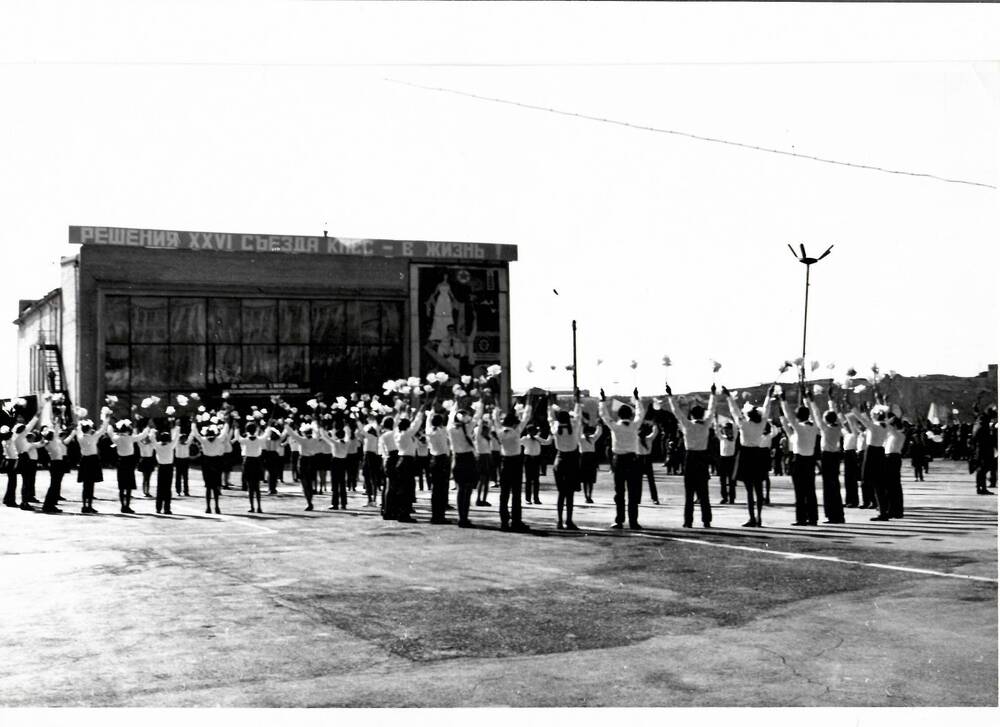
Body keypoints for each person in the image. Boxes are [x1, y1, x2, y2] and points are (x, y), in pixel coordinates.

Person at [665, 384, 716, 529]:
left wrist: (670, 396)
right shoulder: (706, 425)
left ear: (692, 415)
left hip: (691, 458)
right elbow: (711, 410)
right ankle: (706, 520)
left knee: (689, 493)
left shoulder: (687, 425)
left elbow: (676, 412)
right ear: (702, 415)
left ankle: (688, 521)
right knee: (704, 492)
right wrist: (712, 395)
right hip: (702, 458)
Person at [725, 386, 772, 527]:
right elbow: (767, 410)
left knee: (749, 491)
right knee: (758, 489)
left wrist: (729, 397)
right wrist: (768, 396)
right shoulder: (761, 424)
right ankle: (758, 518)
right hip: (758, 455)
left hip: (746, 455)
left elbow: (734, 411)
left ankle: (752, 518)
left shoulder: (744, 424)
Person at [598, 387, 645, 530]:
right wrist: (637, 399)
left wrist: (602, 400)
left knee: (619, 492)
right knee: (633, 491)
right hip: (633, 460)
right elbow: (641, 413)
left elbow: (604, 415)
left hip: (618, 460)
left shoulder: (615, 426)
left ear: (619, 415)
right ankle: (633, 521)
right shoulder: (634, 425)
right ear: (630, 415)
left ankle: (619, 520)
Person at [779, 386, 820, 526]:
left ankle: (801, 518)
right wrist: (809, 399)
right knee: (810, 490)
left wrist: (783, 401)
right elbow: (815, 414)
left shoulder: (799, 427)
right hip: (810, 460)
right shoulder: (813, 426)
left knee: (800, 491)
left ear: (798, 416)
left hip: (799, 460)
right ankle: (813, 518)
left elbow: (789, 417)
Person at [493, 397, 533, 531]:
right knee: (516, 494)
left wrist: (497, 404)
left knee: (504, 494)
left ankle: (504, 521)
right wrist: (529, 401)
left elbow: (495, 419)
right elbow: (526, 416)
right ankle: (516, 521)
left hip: (504, 462)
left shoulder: (500, 432)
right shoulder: (516, 432)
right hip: (515, 462)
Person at [850, 400, 891, 521]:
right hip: (880, 452)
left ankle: (879, 507)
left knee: (868, 480)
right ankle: (883, 508)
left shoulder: (873, 426)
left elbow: (861, 419)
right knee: (879, 483)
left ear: (877, 415)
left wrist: (852, 406)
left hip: (871, 453)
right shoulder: (885, 425)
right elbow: (875, 417)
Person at [549, 391, 584, 530]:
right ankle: (569, 520)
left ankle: (559, 521)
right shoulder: (574, 427)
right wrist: (577, 400)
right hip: (572, 460)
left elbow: (550, 418)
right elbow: (578, 415)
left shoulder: (556, 428)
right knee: (569, 494)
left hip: (559, 459)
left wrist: (549, 405)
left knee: (561, 493)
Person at [812, 389, 845, 524]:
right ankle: (838, 514)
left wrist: (811, 401)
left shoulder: (825, 429)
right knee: (835, 485)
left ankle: (831, 514)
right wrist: (831, 401)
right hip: (835, 455)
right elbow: (836, 416)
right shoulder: (838, 428)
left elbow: (816, 415)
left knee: (828, 486)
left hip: (827, 456)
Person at [447, 399, 482, 528]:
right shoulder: (467, 428)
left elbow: (451, 417)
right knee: (467, 490)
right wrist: (481, 401)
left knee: (461, 490)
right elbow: (478, 415)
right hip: (468, 459)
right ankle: (464, 517)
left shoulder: (450, 429)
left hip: (456, 459)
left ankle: (461, 517)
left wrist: (455, 403)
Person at [67, 414, 110, 514]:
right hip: (93, 460)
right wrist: (106, 419)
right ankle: (89, 505)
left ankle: (84, 506)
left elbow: (78, 428)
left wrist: (78, 419)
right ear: (89, 429)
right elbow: (103, 429)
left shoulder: (80, 437)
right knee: (91, 485)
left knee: (85, 485)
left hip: (84, 461)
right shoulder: (93, 437)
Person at [189, 419, 231, 514]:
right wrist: (227, 423)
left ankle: (208, 507)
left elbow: (195, 433)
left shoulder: (204, 440)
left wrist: (194, 422)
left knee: (208, 487)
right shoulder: (218, 439)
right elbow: (224, 432)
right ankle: (217, 507)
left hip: (207, 463)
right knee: (215, 486)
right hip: (216, 463)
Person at [283, 421, 324, 511]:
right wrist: (316, 423)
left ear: (304, 433)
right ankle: (310, 500)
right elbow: (318, 432)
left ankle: (309, 502)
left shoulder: (302, 440)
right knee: (310, 482)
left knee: (305, 483)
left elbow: (292, 434)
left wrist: (286, 425)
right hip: (312, 460)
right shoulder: (315, 439)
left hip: (304, 461)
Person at [425, 411, 452, 523]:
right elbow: (449, 424)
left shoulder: (429, 431)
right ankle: (440, 515)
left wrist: (429, 415)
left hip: (433, 459)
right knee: (442, 489)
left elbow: (427, 423)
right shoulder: (443, 431)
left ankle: (435, 514)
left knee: (435, 489)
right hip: (442, 460)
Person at [234, 422, 266, 513]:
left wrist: (236, 428)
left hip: (248, 462)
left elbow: (237, 437)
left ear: (247, 430)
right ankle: (259, 507)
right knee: (257, 487)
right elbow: (267, 434)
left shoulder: (245, 440)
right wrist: (268, 426)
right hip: (257, 462)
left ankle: (252, 507)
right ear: (255, 430)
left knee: (250, 486)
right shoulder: (260, 439)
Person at [150, 426, 181, 515]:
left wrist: (152, 431)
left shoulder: (157, 445)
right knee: (167, 489)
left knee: (160, 488)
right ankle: (167, 509)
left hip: (161, 468)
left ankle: (158, 508)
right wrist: (177, 428)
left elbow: (152, 439)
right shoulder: (170, 446)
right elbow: (176, 438)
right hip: (168, 468)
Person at [110, 420, 139, 514]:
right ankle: (127, 506)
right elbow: (141, 435)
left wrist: (110, 424)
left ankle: (123, 506)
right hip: (129, 462)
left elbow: (110, 432)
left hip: (121, 462)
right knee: (129, 486)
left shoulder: (116, 438)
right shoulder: (130, 438)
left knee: (122, 486)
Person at [520, 425, 550, 506]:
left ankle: (536, 499)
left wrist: (551, 435)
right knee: (528, 480)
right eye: (533, 431)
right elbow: (517, 443)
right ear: (529, 431)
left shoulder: (537, 438)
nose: (535, 432)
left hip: (536, 459)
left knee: (536, 480)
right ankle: (528, 499)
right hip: (528, 459)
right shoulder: (525, 439)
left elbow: (547, 442)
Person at [884, 414, 907, 517]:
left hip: (893, 458)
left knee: (893, 485)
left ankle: (895, 510)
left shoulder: (898, 434)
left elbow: (887, 425)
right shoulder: (893, 435)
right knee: (892, 485)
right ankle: (893, 509)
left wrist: (889, 418)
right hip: (890, 458)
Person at [41, 427, 69, 513]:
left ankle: (50, 504)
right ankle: (48, 505)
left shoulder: (51, 442)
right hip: (56, 464)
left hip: (56, 464)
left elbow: (55, 432)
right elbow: (56, 432)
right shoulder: (52, 443)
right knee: (54, 485)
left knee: (55, 485)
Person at [579, 418, 603, 504]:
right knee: (590, 480)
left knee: (586, 480)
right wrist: (599, 424)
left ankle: (587, 496)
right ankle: (589, 496)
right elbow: (598, 433)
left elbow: (598, 433)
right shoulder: (591, 438)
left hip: (584, 458)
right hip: (591, 458)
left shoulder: (581, 439)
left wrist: (581, 424)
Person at [362, 415, 384, 508]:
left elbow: (361, 430)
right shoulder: (376, 437)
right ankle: (373, 499)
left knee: (369, 478)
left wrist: (356, 417)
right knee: (373, 479)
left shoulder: (371, 437)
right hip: (374, 456)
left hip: (369, 456)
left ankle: (371, 500)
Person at [637, 420, 660, 505]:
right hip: (647, 459)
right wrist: (654, 424)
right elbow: (655, 432)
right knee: (651, 481)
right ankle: (655, 498)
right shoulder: (649, 439)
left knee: (638, 481)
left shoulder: (636, 439)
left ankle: (637, 499)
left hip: (639, 459)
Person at [840, 409, 860, 507]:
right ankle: (848, 500)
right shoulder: (846, 434)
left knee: (852, 478)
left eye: (847, 424)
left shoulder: (854, 434)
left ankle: (854, 501)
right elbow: (841, 423)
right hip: (846, 455)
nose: (845, 426)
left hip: (852, 454)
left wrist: (849, 416)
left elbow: (851, 424)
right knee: (847, 479)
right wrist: (839, 410)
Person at [715, 420, 737, 505]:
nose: (727, 431)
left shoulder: (734, 437)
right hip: (723, 459)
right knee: (722, 480)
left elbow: (735, 429)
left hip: (731, 459)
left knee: (732, 480)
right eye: (725, 429)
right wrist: (717, 423)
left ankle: (732, 498)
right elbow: (717, 431)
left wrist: (732, 421)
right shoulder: (722, 437)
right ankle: (724, 497)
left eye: (728, 429)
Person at [475, 416, 494, 507]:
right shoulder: (479, 438)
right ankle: (478, 499)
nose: (486, 432)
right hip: (481, 458)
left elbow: (490, 426)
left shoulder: (487, 438)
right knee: (481, 480)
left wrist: (490, 419)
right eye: (485, 431)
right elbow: (479, 429)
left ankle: (484, 499)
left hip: (487, 458)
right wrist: (481, 421)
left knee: (487, 481)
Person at [137, 429, 156, 497]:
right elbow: (138, 439)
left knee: (148, 478)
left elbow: (153, 440)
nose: (147, 439)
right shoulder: (142, 444)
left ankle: (147, 491)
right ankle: (145, 491)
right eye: (146, 438)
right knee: (145, 477)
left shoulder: (151, 445)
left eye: (148, 438)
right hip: (144, 460)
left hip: (149, 460)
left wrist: (152, 432)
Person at [174, 425, 192, 497]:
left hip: (185, 460)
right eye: (182, 438)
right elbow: (175, 436)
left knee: (185, 477)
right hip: (178, 461)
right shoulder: (177, 444)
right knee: (178, 476)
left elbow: (191, 436)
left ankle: (186, 491)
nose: (183, 440)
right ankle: (178, 491)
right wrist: (178, 427)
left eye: (184, 438)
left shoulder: (187, 444)